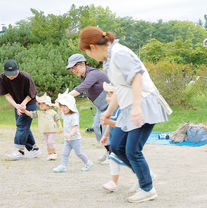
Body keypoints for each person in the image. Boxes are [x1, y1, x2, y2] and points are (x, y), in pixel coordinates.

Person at [79, 26, 168, 203]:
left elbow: (137, 77)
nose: (89, 58)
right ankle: (146, 176)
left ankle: (147, 189)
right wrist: (108, 112)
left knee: (132, 150)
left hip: (143, 104)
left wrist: (136, 107)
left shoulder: (119, 53)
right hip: (128, 107)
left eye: (87, 53)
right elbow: (119, 90)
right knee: (118, 147)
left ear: (93, 47)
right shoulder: (109, 58)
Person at [65, 53, 111, 164]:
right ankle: (109, 151)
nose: (73, 70)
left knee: (106, 130)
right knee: (97, 129)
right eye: (71, 68)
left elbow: (82, 88)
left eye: (74, 67)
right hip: (101, 108)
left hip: (110, 106)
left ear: (83, 63)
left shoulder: (93, 73)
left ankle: (113, 155)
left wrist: (65, 97)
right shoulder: (83, 76)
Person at [0, 59, 41, 160]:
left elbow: (31, 94)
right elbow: (7, 94)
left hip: (30, 102)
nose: (11, 76)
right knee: (24, 126)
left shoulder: (26, 77)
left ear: (18, 69)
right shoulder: (2, 78)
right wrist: (17, 106)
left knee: (21, 125)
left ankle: (20, 152)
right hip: (17, 103)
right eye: (8, 74)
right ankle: (34, 149)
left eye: (13, 73)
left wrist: (23, 104)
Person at [53, 94, 93, 173]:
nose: (63, 109)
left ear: (70, 106)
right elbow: (60, 113)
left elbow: (75, 127)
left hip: (75, 139)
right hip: (68, 140)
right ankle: (63, 166)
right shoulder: (65, 115)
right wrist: (58, 106)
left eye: (65, 106)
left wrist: (70, 134)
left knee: (78, 153)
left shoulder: (74, 116)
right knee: (65, 153)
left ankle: (88, 162)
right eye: (62, 107)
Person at [20, 93, 63, 160]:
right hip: (44, 130)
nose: (41, 105)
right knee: (47, 143)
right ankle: (50, 154)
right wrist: (24, 110)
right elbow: (30, 114)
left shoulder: (52, 112)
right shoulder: (38, 113)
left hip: (52, 130)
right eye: (40, 104)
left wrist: (60, 126)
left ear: (48, 104)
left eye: (43, 103)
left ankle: (54, 153)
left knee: (50, 142)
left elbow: (57, 119)